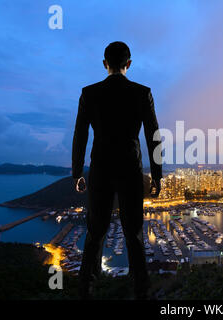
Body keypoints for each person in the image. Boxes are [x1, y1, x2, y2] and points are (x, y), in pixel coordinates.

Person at [71, 41, 162, 299]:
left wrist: (77, 172)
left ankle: (85, 292)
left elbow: (80, 135)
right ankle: (141, 293)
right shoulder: (142, 93)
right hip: (130, 170)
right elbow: (153, 137)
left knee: (95, 234)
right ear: (129, 64)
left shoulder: (89, 93)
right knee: (134, 234)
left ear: (104, 64)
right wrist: (156, 175)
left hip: (100, 169)